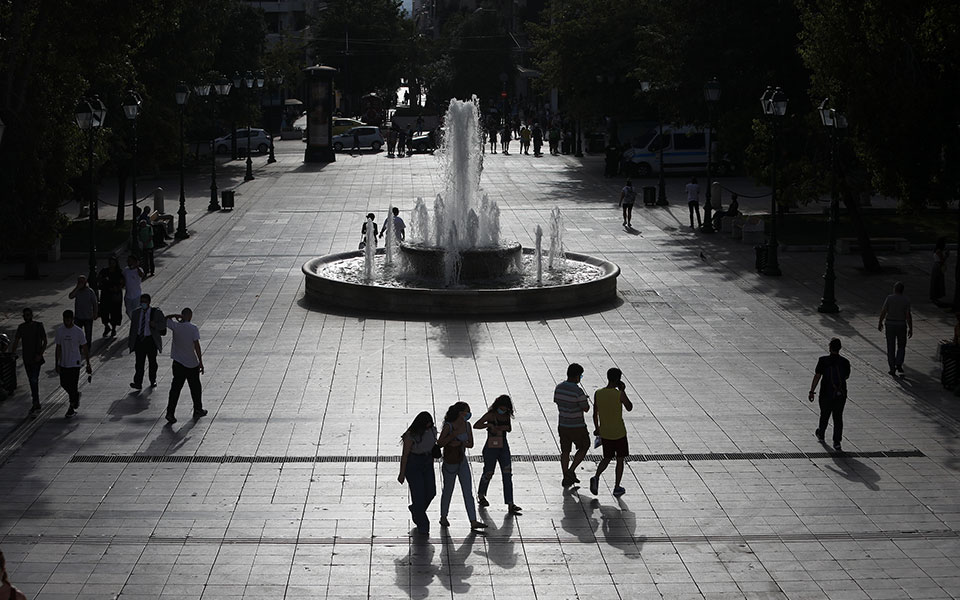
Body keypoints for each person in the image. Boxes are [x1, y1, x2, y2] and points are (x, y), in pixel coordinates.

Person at [437, 401, 487, 530]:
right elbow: (440, 443)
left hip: (462, 460)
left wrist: (461, 443)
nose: (468, 414)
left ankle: (473, 520)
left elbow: (471, 444)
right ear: (460, 413)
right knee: (448, 490)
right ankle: (443, 516)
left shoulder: (467, 425)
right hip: (450, 462)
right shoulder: (449, 426)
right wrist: (452, 437)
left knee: (468, 491)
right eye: (466, 411)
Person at [473, 395, 521, 514]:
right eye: (502, 408)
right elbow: (476, 425)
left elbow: (509, 428)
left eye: (505, 408)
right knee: (489, 472)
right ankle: (481, 495)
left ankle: (510, 503)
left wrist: (501, 427)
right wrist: (488, 425)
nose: (503, 410)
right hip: (491, 447)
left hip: (503, 446)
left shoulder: (506, 415)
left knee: (507, 473)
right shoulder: (491, 414)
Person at [589, 367, 633, 497]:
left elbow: (594, 413)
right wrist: (623, 391)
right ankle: (617, 487)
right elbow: (629, 407)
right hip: (619, 432)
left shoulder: (598, 393)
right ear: (618, 379)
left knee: (607, 458)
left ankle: (596, 477)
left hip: (605, 432)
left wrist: (597, 428)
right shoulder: (619, 394)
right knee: (620, 460)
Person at [808, 338, 851, 451]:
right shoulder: (845, 362)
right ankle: (837, 441)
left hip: (826, 393)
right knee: (838, 417)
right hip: (840, 394)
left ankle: (821, 433)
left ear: (830, 347)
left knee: (824, 414)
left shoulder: (823, 360)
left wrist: (812, 391)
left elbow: (817, 376)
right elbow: (846, 377)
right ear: (840, 348)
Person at [398, 411, 438, 535]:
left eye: (430, 424)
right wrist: (402, 473)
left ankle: (416, 510)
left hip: (427, 462)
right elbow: (405, 455)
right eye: (427, 424)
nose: (429, 426)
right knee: (418, 495)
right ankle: (423, 524)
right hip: (414, 464)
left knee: (431, 491)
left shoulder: (432, 430)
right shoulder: (410, 436)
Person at [164, 308, 206, 423]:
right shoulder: (193, 328)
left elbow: (164, 319)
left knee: (175, 389)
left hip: (178, 363)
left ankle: (170, 412)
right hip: (191, 363)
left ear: (181, 315)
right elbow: (196, 345)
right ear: (190, 316)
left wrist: (174, 314)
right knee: (195, 388)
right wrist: (200, 361)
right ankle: (198, 409)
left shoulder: (175, 326)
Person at [555, 363, 591, 487]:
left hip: (563, 424)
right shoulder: (578, 391)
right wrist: (583, 399)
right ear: (576, 376)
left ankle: (566, 476)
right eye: (580, 376)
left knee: (565, 451)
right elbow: (586, 408)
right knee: (585, 446)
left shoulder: (559, 387)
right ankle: (571, 471)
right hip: (577, 426)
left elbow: (557, 400)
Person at [55, 309, 91, 418]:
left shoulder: (78, 331)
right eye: (65, 319)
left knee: (73, 384)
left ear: (72, 319)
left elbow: (84, 347)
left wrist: (88, 362)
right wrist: (56, 363)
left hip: (75, 362)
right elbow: (58, 347)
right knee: (64, 383)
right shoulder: (60, 331)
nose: (67, 322)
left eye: (69, 319)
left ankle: (71, 407)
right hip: (64, 363)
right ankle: (75, 396)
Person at [11, 307, 47, 413]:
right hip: (27, 359)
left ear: (31, 315)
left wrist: (40, 354)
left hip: (36, 358)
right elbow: (16, 341)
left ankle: (35, 402)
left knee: (33, 380)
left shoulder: (38, 326)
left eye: (28, 315)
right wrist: (12, 353)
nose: (27, 317)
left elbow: (45, 341)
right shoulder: (21, 327)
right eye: (25, 315)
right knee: (31, 380)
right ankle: (36, 401)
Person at [127, 293, 166, 391]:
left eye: (145, 302)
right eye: (141, 302)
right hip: (140, 340)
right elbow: (133, 328)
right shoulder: (136, 313)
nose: (143, 304)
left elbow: (163, 325)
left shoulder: (156, 312)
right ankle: (138, 382)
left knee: (152, 362)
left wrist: (155, 325)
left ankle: (153, 379)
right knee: (139, 363)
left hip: (151, 340)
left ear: (149, 302)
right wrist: (131, 342)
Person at [878, 282, 913, 376]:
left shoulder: (889, 298)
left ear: (894, 289)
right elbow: (908, 315)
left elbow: (884, 311)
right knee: (901, 345)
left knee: (891, 346)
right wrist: (910, 328)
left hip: (890, 324)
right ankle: (899, 362)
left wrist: (880, 322)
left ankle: (892, 368)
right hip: (901, 324)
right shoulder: (906, 300)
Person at [68, 275, 98, 352]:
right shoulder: (77, 291)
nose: (81, 283)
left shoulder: (90, 291)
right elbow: (70, 296)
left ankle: (87, 348)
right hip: (78, 317)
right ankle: (78, 347)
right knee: (77, 334)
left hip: (88, 317)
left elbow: (95, 303)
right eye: (79, 282)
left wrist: (95, 313)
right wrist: (77, 288)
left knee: (88, 334)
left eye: (82, 282)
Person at [98, 256, 124, 337]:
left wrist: (117, 288)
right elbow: (98, 279)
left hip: (115, 295)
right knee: (104, 312)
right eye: (110, 262)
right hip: (105, 294)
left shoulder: (119, 272)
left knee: (115, 312)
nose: (111, 264)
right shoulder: (104, 271)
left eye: (113, 263)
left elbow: (122, 282)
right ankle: (106, 326)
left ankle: (113, 328)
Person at [931, 237, 949, 305]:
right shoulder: (939, 251)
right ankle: (935, 297)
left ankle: (935, 297)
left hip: (936, 266)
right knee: (937, 282)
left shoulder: (936, 250)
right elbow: (942, 260)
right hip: (938, 267)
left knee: (935, 281)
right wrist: (947, 255)